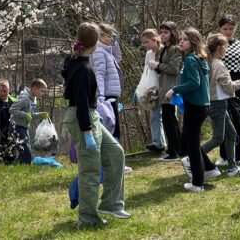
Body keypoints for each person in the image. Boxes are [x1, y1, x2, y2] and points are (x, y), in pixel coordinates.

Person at [62, 22, 130, 229]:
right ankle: (87, 218)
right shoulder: (82, 67)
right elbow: (80, 101)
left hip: (90, 116)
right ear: (96, 41)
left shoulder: (75, 60)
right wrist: (87, 131)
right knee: (90, 171)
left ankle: (111, 203)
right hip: (84, 118)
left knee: (115, 152)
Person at [181, 34, 240, 180]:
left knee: (231, 134)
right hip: (218, 104)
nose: (227, 49)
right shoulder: (218, 65)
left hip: (216, 103)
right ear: (219, 48)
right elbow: (229, 88)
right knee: (218, 138)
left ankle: (232, 167)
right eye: (226, 46)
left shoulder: (209, 61)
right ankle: (193, 157)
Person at [166, 27, 210, 192]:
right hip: (201, 105)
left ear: (193, 41)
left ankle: (197, 183)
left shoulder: (191, 60)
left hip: (196, 106)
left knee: (192, 145)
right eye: (180, 39)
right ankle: (210, 168)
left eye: (184, 39)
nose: (181, 42)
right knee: (189, 142)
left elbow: (194, 83)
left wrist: (175, 90)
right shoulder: (198, 58)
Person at [91, 23, 132, 173]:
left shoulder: (106, 51)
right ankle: (115, 164)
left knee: (115, 130)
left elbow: (118, 58)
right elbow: (99, 74)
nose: (113, 38)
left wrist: (115, 43)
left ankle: (116, 162)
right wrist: (101, 94)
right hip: (106, 96)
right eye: (110, 35)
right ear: (101, 37)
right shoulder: (99, 53)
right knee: (112, 131)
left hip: (112, 94)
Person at [217, 15, 240, 169]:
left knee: (239, 121)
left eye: (231, 29)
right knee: (223, 122)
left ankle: (238, 157)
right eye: (225, 29)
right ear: (220, 29)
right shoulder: (215, 45)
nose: (228, 32)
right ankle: (224, 156)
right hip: (222, 84)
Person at [148, 21, 182, 161]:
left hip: (171, 89)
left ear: (173, 33)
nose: (163, 35)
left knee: (170, 121)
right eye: (161, 32)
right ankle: (177, 150)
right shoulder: (165, 49)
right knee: (169, 120)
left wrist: (158, 65)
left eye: (166, 32)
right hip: (164, 89)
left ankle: (174, 151)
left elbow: (174, 69)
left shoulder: (174, 49)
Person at [9, 78, 49, 164]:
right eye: (42, 91)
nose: (43, 94)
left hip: (24, 128)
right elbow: (12, 109)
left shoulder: (33, 99)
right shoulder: (25, 98)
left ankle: (17, 168)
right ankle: (21, 170)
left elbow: (30, 115)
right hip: (16, 127)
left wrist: (40, 115)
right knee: (26, 155)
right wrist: (24, 115)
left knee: (25, 152)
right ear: (35, 89)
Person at [139, 28, 166, 152]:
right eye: (144, 42)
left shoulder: (165, 50)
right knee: (154, 115)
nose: (145, 45)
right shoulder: (149, 54)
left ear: (155, 39)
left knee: (168, 116)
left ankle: (172, 142)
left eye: (147, 42)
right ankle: (158, 142)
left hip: (165, 87)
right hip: (153, 88)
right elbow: (146, 71)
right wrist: (141, 87)